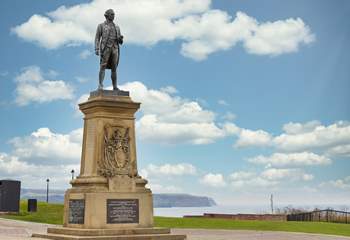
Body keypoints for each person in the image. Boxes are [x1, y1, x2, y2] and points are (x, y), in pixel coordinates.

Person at [95, 9, 123, 90]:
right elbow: (97, 38)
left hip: (115, 48)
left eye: (114, 14)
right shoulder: (101, 26)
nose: (113, 16)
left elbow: (120, 42)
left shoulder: (117, 27)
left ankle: (115, 86)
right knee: (102, 66)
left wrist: (120, 39)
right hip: (106, 48)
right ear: (106, 15)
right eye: (112, 14)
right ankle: (100, 85)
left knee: (114, 68)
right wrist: (96, 48)